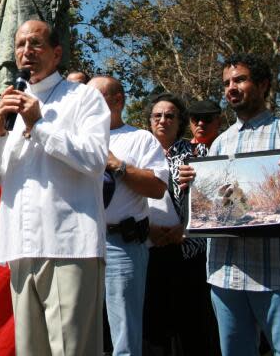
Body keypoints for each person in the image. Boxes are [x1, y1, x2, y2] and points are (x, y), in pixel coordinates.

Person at [0, 20, 111, 356]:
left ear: (56, 53)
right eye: (20, 45)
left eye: (35, 44)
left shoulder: (84, 98)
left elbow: (94, 159)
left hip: (69, 246)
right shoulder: (8, 104)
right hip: (19, 248)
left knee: (72, 350)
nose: (25, 52)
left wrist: (40, 124)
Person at [178, 54, 280, 356]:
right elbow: (218, 202)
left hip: (279, 273)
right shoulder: (219, 143)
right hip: (225, 272)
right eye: (227, 83)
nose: (231, 87)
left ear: (263, 85)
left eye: (240, 79)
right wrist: (192, 187)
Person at [87, 76, 168, 356]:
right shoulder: (77, 140)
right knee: (81, 330)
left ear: (117, 100)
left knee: (124, 334)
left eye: (94, 96)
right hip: (80, 243)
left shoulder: (141, 139)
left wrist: (118, 166)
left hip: (122, 245)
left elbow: (158, 188)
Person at [142, 93, 220, 356]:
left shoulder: (199, 152)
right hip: (148, 249)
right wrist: (148, 228)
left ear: (180, 122)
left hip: (190, 251)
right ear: (150, 121)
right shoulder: (136, 150)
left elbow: (216, 200)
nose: (163, 120)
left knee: (193, 327)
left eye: (170, 115)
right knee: (154, 327)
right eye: (157, 115)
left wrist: (186, 229)